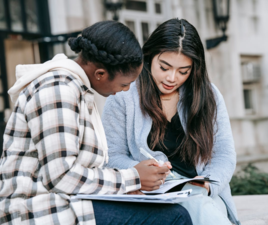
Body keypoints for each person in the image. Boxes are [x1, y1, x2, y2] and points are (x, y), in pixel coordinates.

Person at [0, 20, 192, 225]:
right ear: (100, 74)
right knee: (175, 217)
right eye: (125, 84)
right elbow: (61, 177)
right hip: (32, 212)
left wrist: (132, 182)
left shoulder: (77, 90)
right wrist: (133, 177)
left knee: (166, 211)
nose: (125, 90)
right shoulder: (57, 90)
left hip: (64, 205)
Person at [102, 18, 241, 225]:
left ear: (194, 68)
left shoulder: (209, 95)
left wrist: (208, 185)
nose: (172, 78)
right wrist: (141, 172)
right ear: (149, 57)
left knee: (197, 204)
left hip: (203, 194)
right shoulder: (123, 94)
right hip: (151, 196)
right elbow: (111, 156)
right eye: (164, 67)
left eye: (183, 71)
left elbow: (224, 154)